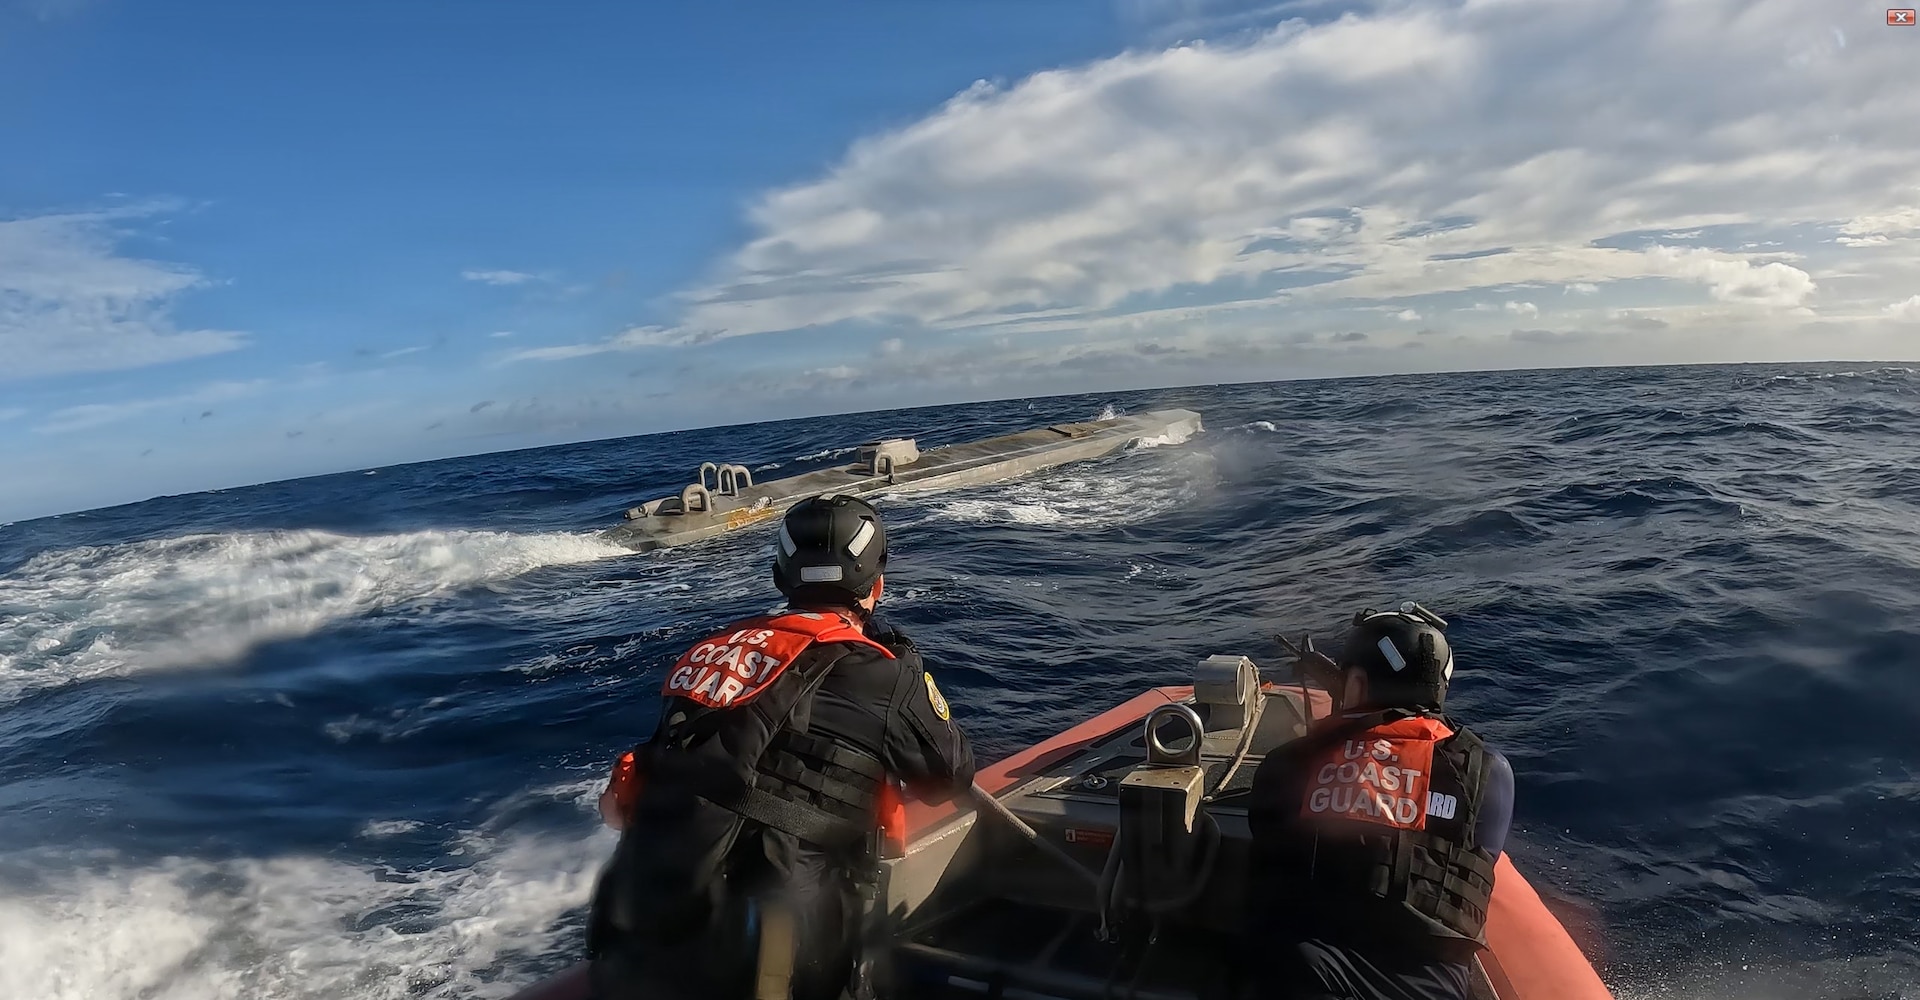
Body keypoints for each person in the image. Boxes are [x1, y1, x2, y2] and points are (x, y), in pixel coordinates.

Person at [584, 493, 976, 1000]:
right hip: (774, 961)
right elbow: (949, 775)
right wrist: (906, 669)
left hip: (638, 939)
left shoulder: (708, 650)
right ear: (876, 585)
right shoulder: (882, 670)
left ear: (779, 576)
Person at [1245, 603, 1516, 1000]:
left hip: (1305, 974)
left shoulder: (1289, 763)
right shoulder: (1489, 772)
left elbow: (1266, 835)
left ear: (1354, 685)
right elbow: (1482, 852)